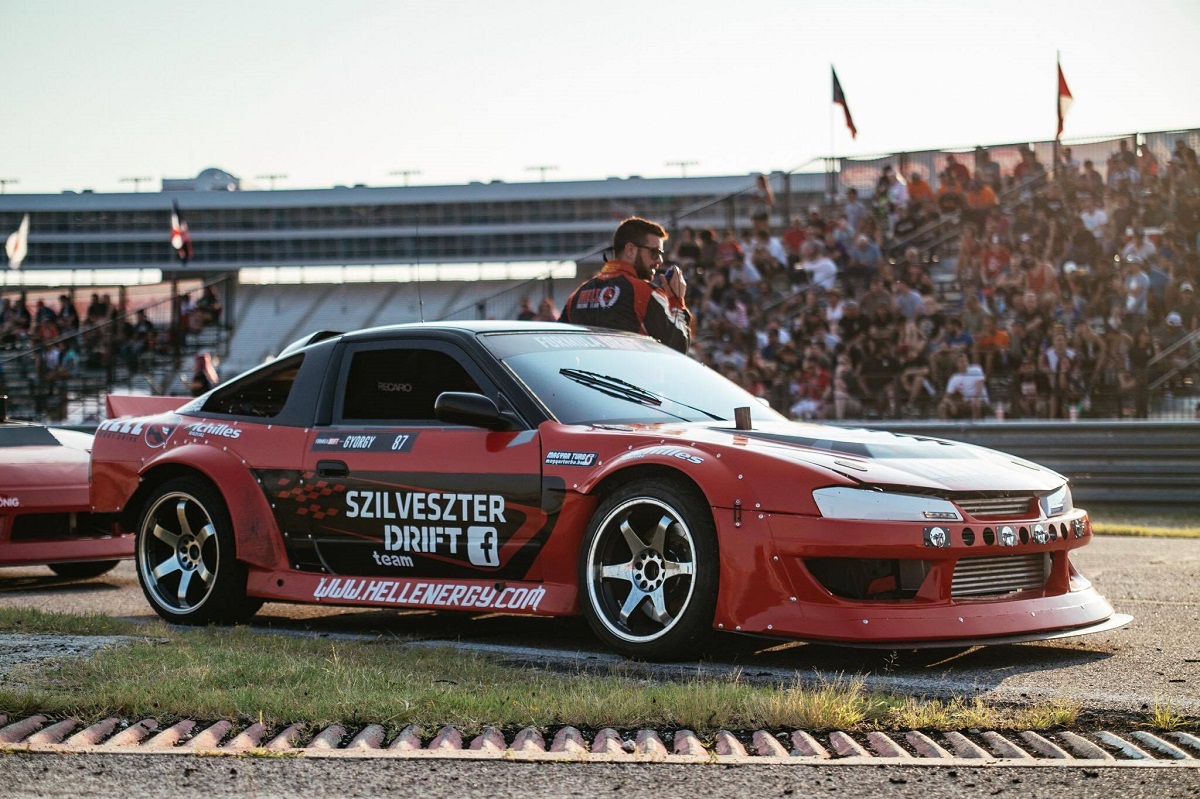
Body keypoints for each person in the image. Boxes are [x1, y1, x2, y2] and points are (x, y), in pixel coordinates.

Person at [559, 217, 691, 352]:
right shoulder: (644, 293)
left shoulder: (577, 295)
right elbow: (679, 347)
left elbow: (559, 344)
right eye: (655, 252)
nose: (660, 260)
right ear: (630, 250)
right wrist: (676, 301)